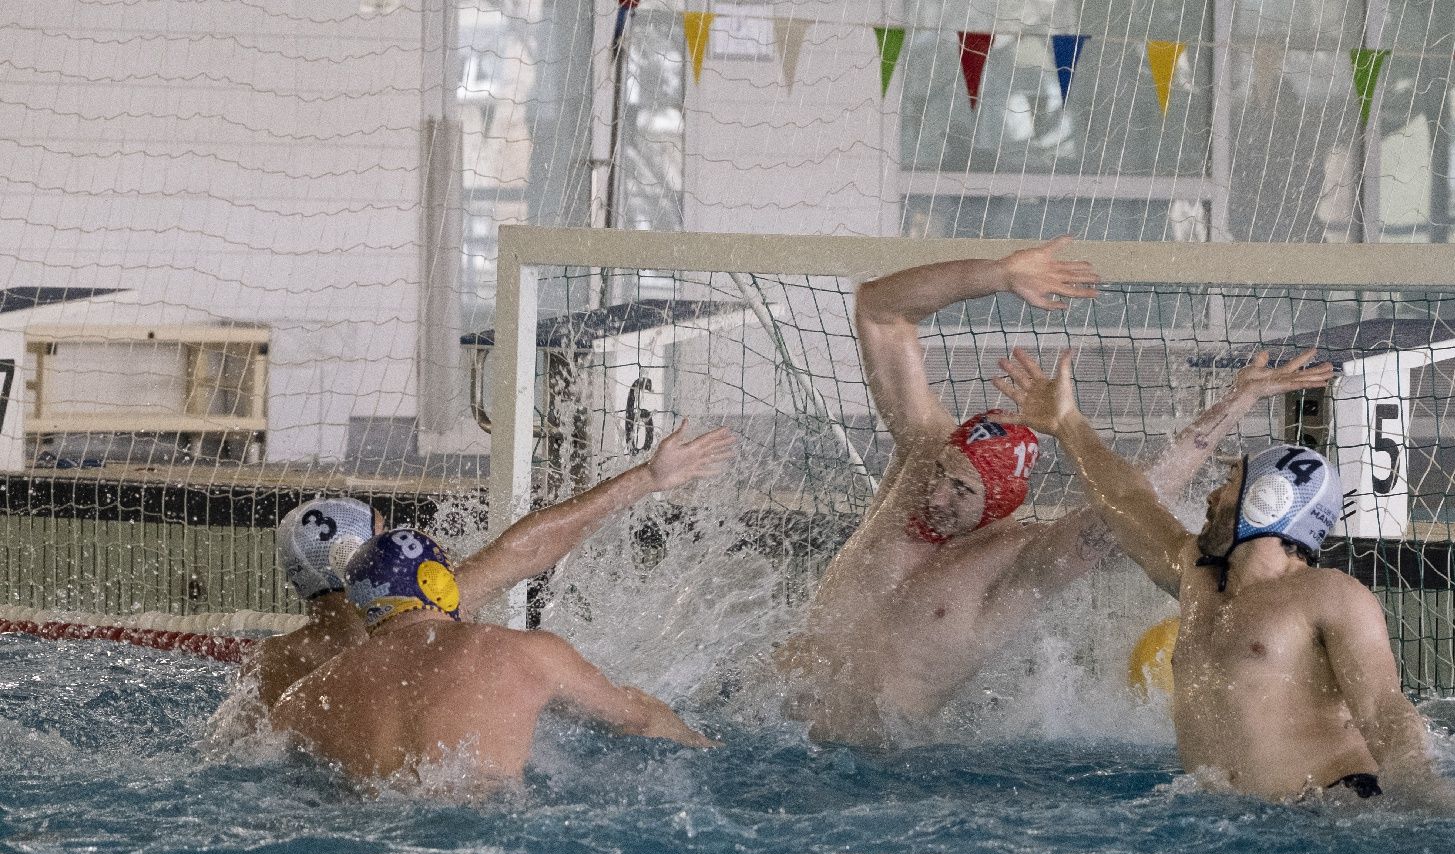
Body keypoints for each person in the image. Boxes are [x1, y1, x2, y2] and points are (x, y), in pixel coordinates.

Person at [991, 346, 1452, 804]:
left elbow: (1383, 707)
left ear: (1267, 501)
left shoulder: (1329, 595)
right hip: (1227, 820)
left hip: (1333, 811)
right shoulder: (1197, 578)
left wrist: (1424, 790)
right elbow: (1127, 500)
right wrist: (1067, 425)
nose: (1211, 496)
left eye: (1229, 483)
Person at [772, 238, 1120, 746]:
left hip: (871, 763)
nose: (935, 497)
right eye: (941, 473)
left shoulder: (1010, 556)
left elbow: (1120, 514)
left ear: (998, 504)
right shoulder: (924, 453)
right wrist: (1000, 275)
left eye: (961, 491)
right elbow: (880, 311)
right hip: (770, 724)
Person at [245, 422, 735, 709]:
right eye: (385, 535)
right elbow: (522, 552)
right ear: (351, 560)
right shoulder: (416, 621)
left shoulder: (266, 666)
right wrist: (648, 477)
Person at [270, 529, 715, 794]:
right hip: (487, 831)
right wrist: (705, 746)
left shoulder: (306, 695)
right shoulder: (526, 652)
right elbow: (636, 721)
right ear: (440, 583)